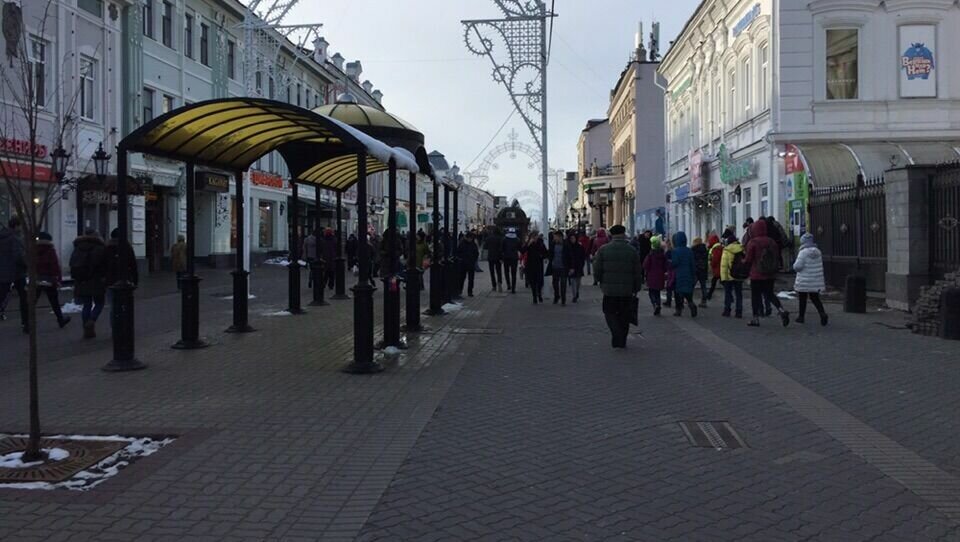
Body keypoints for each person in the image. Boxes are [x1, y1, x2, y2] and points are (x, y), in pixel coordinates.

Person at [593, 225, 643, 349]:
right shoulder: (631, 251)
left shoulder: (603, 250)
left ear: (612, 235)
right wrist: (637, 286)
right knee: (624, 315)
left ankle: (616, 335)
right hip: (627, 290)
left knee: (609, 312)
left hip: (609, 290)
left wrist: (599, 280)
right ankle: (622, 339)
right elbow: (637, 271)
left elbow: (597, 268)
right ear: (624, 234)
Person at [743, 219, 789, 327]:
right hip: (770, 273)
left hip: (756, 274)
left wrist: (742, 262)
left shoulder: (753, 242)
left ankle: (755, 319)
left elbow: (748, 259)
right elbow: (777, 256)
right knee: (770, 294)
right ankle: (781, 309)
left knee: (755, 296)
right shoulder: (771, 241)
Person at [71, 229, 107, 338]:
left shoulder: (78, 248)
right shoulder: (100, 248)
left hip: (82, 281)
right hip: (96, 280)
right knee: (99, 303)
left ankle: (86, 330)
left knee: (86, 305)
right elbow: (103, 266)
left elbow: (72, 263)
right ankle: (92, 320)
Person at [33, 232, 71, 330]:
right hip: (49, 279)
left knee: (32, 301)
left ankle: (27, 323)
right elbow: (54, 266)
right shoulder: (50, 250)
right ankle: (60, 319)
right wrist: (58, 279)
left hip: (37, 278)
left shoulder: (33, 250)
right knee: (54, 301)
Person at [105, 227, 139, 330]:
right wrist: (135, 280)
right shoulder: (126, 247)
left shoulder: (107, 247)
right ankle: (124, 326)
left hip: (110, 281)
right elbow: (133, 264)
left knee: (113, 306)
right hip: (125, 280)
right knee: (125, 304)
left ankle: (115, 327)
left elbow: (102, 265)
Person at [792, 233, 829, 326]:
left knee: (802, 299)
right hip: (815, 280)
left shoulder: (803, 252)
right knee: (815, 298)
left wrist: (794, 265)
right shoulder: (818, 252)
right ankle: (822, 313)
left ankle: (801, 317)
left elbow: (797, 266)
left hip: (804, 280)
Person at [0, 217, 27, 333]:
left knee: (2, 294)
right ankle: (26, 323)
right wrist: (27, 264)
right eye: (20, 225)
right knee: (23, 298)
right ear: (16, 226)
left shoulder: (2, 236)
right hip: (17, 272)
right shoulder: (15, 238)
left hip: (3, 271)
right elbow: (18, 257)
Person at [668, 231, 697, 318]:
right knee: (688, 293)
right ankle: (691, 304)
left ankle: (678, 310)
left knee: (678, 293)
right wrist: (693, 274)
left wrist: (670, 263)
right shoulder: (689, 251)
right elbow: (692, 264)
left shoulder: (675, 251)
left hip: (679, 274)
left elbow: (675, 263)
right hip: (688, 274)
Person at [719, 229, 745, 318]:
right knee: (739, 294)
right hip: (739, 275)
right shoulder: (741, 249)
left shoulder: (726, 250)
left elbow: (724, 266)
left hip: (729, 276)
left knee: (728, 293)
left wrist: (723, 278)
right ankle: (739, 311)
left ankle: (727, 310)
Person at [643, 235, 667, 315]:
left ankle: (655, 304)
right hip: (660, 276)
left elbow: (645, 265)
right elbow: (665, 266)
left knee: (651, 292)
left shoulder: (650, 255)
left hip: (651, 276)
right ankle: (658, 305)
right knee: (657, 292)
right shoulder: (663, 255)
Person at [546, 231, 570, 305]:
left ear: (560, 237)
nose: (554, 238)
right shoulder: (552, 245)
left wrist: (571, 267)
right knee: (555, 283)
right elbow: (549, 254)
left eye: (555, 237)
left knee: (563, 284)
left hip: (563, 267)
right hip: (555, 266)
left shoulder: (566, 245)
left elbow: (570, 256)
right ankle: (557, 296)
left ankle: (563, 299)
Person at [523, 233, 548, 303]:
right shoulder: (528, 243)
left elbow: (546, 252)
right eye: (533, 237)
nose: (534, 238)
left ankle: (539, 293)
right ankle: (534, 296)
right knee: (533, 282)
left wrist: (543, 256)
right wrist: (528, 244)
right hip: (530, 265)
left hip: (539, 265)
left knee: (540, 281)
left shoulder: (541, 243)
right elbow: (523, 250)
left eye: (535, 236)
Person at [457, 232, 479, 297]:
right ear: (466, 237)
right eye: (470, 238)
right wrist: (462, 258)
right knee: (461, 278)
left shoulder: (473, 244)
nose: (470, 239)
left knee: (471, 279)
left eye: (471, 238)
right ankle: (460, 290)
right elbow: (458, 253)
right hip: (463, 264)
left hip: (471, 263)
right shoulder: (462, 244)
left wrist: (474, 259)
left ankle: (470, 291)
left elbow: (476, 253)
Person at [566, 231, 586, 303]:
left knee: (578, 282)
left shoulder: (580, 247)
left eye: (573, 238)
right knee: (572, 281)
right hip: (571, 267)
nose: (572, 240)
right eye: (571, 238)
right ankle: (574, 295)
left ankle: (577, 292)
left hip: (579, 266)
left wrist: (582, 264)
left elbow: (583, 256)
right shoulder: (567, 247)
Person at [501, 228, 521, 294]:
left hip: (506, 257)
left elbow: (502, 249)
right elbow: (519, 248)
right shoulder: (517, 239)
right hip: (514, 258)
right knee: (514, 273)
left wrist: (501, 257)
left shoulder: (504, 239)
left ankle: (508, 285)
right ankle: (513, 289)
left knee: (506, 272)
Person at [691, 236, 709, 307]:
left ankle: (689, 299)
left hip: (696, 270)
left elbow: (692, 260)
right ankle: (704, 301)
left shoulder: (693, 249)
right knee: (703, 286)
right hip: (703, 270)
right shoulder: (705, 249)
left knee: (692, 286)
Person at [706, 233, 722, 300]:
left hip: (718, 268)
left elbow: (715, 259)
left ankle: (709, 295)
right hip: (720, 268)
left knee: (714, 282)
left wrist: (712, 264)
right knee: (716, 281)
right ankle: (709, 295)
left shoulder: (716, 249)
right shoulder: (719, 247)